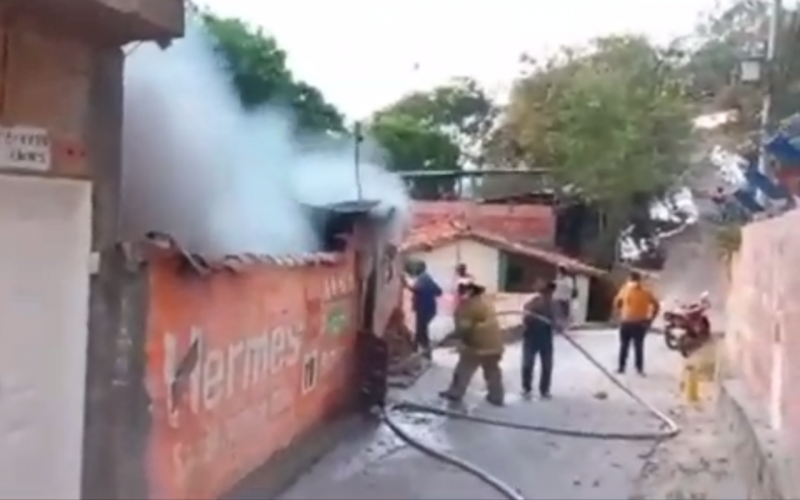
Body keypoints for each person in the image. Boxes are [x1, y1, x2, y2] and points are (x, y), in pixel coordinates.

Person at [439, 280, 505, 406]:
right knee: (492, 371)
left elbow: (463, 329)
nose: (460, 292)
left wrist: (447, 339)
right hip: (494, 345)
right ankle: (496, 396)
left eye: (462, 289)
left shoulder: (469, 306)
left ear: (470, 291)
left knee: (463, 369)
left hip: (477, 345)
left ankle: (455, 392)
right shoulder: (484, 301)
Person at [613, 271, 660, 375]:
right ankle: (639, 369)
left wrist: (621, 313)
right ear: (639, 280)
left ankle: (621, 368)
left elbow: (616, 303)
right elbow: (656, 305)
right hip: (640, 323)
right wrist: (650, 319)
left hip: (626, 322)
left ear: (629, 279)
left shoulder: (624, 289)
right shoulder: (646, 291)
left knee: (624, 345)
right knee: (638, 346)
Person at [521, 280, 560, 398]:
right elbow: (526, 318)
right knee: (528, 364)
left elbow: (558, 321)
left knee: (547, 365)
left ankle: (544, 390)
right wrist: (535, 319)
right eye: (547, 292)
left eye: (551, 292)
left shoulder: (554, 304)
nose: (550, 294)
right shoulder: (533, 303)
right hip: (531, 336)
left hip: (546, 338)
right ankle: (526, 388)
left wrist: (557, 325)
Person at [406, 262, 443, 359]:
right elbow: (439, 291)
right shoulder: (426, 278)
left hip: (424, 308)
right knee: (421, 330)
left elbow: (417, 289)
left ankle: (424, 353)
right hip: (428, 308)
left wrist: (406, 285)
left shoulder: (423, 278)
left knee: (421, 330)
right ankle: (419, 351)